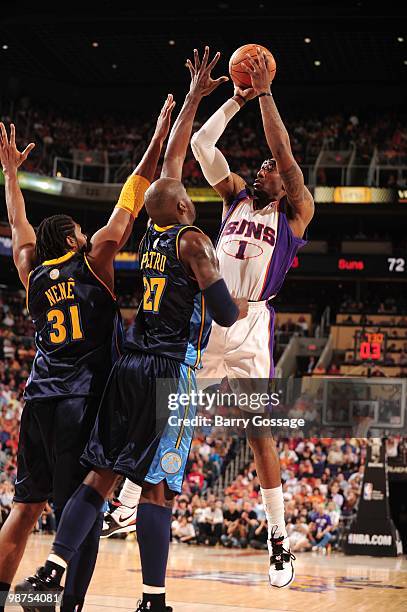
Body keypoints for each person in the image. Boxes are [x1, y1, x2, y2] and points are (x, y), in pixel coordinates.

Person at [16, 47, 248, 612]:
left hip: (126, 368)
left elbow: (169, 167)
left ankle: (53, 566)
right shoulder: (195, 243)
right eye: (190, 200)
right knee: (158, 487)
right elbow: (223, 315)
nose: (191, 199)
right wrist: (238, 298)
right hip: (170, 372)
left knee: (99, 476)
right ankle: (152, 599)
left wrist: (194, 98)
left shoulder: (147, 235)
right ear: (185, 211)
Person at [0, 95, 175, 612]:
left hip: (37, 402)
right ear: (75, 239)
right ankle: (68, 602)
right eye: (80, 230)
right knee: (84, 506)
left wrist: (11, 175)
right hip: (81, 401)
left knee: (24, 510)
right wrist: (158, 136)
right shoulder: (94, 259)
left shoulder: (31, 270)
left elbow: (18, 227)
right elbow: (132, 197)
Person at [189, 47, 314, 587]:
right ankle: (124, 498)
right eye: (260, 166)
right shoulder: (234, 197)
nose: (263, 169)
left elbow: (282, 148)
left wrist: (264, 94)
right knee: (175, 407)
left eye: (271, 168)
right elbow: (200, 144)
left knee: (260, 433)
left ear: (287, 182)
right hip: (214, 313)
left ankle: (279, 539)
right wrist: (234, 102)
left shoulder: (296, 213)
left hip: (254, 326)